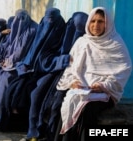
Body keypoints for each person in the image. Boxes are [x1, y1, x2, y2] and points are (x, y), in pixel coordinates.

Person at [54, 7, 132, 141]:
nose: (96, 25)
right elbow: (71, 67)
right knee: (67, 104)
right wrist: (73, 82)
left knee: (86, 110)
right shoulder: (81, 42)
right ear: (88, 23)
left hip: (105, 93)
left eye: (101, 21)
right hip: (81, 89)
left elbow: (124, 69)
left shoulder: (116, 43)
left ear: (107, 24)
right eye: (93, 21)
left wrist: (103, 85)